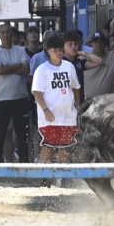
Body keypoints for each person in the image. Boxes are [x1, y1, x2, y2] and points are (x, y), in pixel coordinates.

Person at [30, 32, 81, 165]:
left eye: (60, 49)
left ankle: (63, 180)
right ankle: (44, 180)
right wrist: (46, 110)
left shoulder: (69, 67)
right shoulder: (42, 70)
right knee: (48, 147)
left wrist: (77, 105)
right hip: (50, 118)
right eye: (55, 50)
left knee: (65, 149)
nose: (58, 52)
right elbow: (37, 92)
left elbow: (75, 87)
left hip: (68, 117)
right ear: (48, 51)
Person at [0, 24, 33, 162]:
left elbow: (26, 70)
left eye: (8, 32)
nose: (6, 35)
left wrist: (7, 69)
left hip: (21, 98)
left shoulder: (21, 50)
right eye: (3, 33)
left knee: (22, 136)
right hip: (1, 99)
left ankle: (24, 163)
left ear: (12, 34)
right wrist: (17, 66)